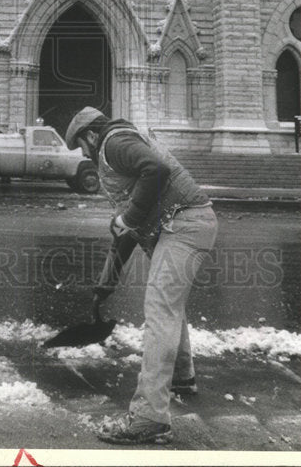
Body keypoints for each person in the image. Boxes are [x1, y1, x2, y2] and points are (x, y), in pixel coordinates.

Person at [64, 107, 218, 447]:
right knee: (169, 305)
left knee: (160, 310)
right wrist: (105, 285)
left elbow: (156, 170)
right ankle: (181, 377)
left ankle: (149, 419)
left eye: (81, 147)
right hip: (183, 224)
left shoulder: (113, 143)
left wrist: (130, 217)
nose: (85, 155)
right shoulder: (116, 153)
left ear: (89, 136)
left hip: (185, 223)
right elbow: (125, 235)